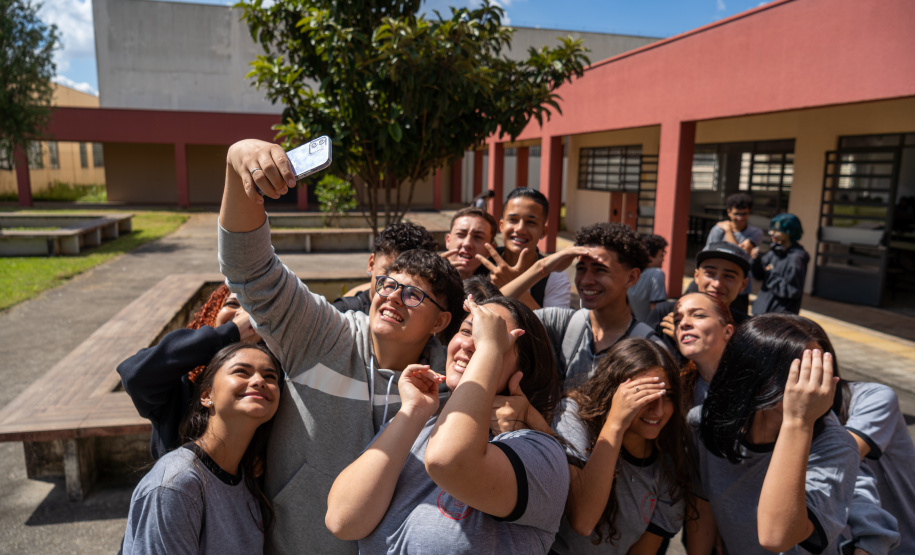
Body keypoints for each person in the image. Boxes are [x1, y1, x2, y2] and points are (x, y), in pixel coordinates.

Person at [218, 139, 466, 554]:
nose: (391, 297)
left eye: (412, 294)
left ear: (441, 321)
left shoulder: (451, 378)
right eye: (388, 284)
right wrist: (236, 162)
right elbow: (249, 268)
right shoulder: (320, 334)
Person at [325, 295, 569, 553]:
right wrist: (413, 411)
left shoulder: (541, 453)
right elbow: (343, 520)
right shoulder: (420, 424)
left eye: (493, 337)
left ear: (524, 369)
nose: (471, 343)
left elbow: (448, 461)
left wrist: (488, 350)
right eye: (466, 330)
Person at [689, 314, 859, 555]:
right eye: (799, 370)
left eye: (819, 370)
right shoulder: (705, 424)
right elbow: (702, 503)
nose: (811, 384)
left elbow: (776, 536)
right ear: (752, 371)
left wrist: (799, 421)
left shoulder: (835, 445)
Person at [122, 343, 281, 554]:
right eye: (241, 372)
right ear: (206, 396)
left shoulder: (247, 479)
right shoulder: (176, 484)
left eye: (270, 377)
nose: (260, 381)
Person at [550, 338, 693, 555]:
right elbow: (583, 520)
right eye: (643, 394)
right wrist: (616, 424)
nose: (658, 410)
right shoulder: (573, 417)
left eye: (668, 396)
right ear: (615, 392)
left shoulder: (670, 465)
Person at [502, 222, 667, 392]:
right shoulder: (561, 323)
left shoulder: (651, 349)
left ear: (631, 277)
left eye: (600, 270)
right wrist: (542, 267)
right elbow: (491, 311)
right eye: (581, 269)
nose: (586, 280)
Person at [118, 284, 260, 460]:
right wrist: (228, 334)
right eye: (232, 304)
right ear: (212, 314)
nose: (243, 314)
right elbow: (135, 375)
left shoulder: (273, 381)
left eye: (253, 308)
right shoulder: (181, 381)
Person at [645, 241, 751, 356]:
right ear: (696, 276)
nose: (717, 284)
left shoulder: (749, 329)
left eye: (729, 276)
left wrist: (689, 342)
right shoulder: (665, 315)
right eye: (709, 273)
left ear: (743, 285)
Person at [477, 187, 571, 310]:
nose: (520, 229)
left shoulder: (554, 274)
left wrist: (514, 284)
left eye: (531, 222)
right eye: (513, 220)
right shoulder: (482, 262)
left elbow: (554, 328)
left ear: (543, 232)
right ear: (501, 226)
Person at [332, 221, 439, 314]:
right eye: (388, 274)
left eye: (411, 282)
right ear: (371, 265)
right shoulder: (342, 316)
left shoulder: (425, 323)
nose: (394, 294)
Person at [673, 292, 735, 408]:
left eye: (698, 315)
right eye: (677, 321)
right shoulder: (679, 389)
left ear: (727, 332)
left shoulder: (756, 387)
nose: (683, 323)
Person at [706, 193, 764, 313]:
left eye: (744, 214)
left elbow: (738, 255)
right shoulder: (717, 230)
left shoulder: (755, 232)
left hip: (741, 290)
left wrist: (728, 231)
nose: (740, 218)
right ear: (729, 212)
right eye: (737, 214)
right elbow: (708, 256)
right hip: (718, 285)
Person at [751, 213, 810, 315]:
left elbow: (792, 291)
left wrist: (771, 274)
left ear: (789, 231)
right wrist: (756, 260)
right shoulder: (775, 250)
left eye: (777, 230)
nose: (771, 233)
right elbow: (760, 275)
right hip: (762, 314)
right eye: (771, 229)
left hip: (778, 319)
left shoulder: (796, 257)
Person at [442, 206, 498, 279]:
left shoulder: (496, 285)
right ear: (448, 240)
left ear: (490, 250)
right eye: (461, 234)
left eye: (478, 237)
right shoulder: (428, 278)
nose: (467, 243)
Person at [627, 233, 668, 321]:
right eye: (661, 255)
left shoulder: (633, 274)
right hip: (651, 328)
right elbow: (656, 307)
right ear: (650, 257)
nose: (663, 259)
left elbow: (629, 308)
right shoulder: (657, 274)